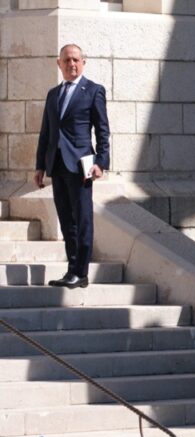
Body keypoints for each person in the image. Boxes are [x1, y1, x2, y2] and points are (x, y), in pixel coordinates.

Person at [34, 44, 110, 289]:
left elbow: (102, 130)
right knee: (66, 220)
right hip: (56, 165)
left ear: (83, 62)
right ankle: (71, 269)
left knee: (82, 218)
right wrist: (39, 166)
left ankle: (82, 272)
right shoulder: (53, 94)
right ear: (59, 64)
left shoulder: (93, 91)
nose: (72, 64)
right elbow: (45, 132)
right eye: (67, 60)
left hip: (81, 166)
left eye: (76, 60)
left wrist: (101, 162)